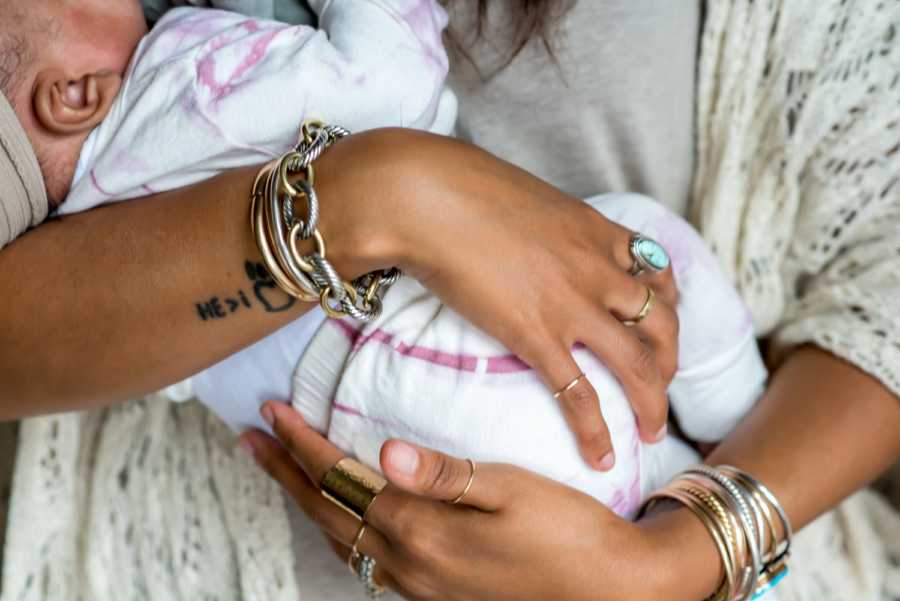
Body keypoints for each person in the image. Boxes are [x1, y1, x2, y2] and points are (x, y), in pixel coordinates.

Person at [2, 1, 899, 601]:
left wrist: (681, 558)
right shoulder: (137, 76)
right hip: (235, 539)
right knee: (640, 255)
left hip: (723, 501)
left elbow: (884, 277)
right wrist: (388, 196)